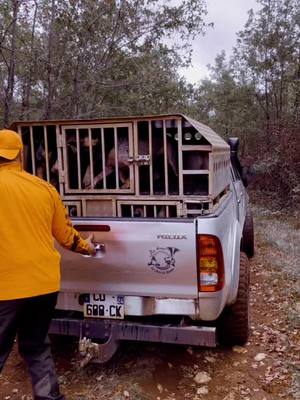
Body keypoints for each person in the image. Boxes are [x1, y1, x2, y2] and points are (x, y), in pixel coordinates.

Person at [0, 129, 96, 400]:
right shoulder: (44, 188)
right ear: (20, 153)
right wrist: (88, 247)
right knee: (36, 348)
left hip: (4, 289)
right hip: (43, 286)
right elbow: (66, 236)